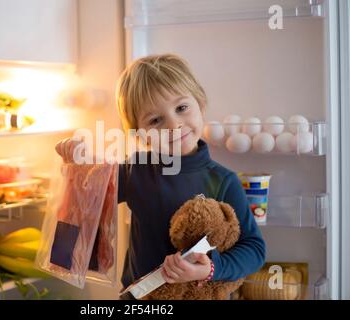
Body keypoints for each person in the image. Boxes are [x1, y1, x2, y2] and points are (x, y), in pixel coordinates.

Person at [55, 54, 266, 300]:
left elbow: (253, 249)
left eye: (182, 108)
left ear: (201, 104)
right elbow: (87, 205)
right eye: (155, 120)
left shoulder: (224, 180)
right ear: (139, 133)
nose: (174, 125)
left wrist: (210, 268)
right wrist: (79, 165)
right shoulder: (137, 169)